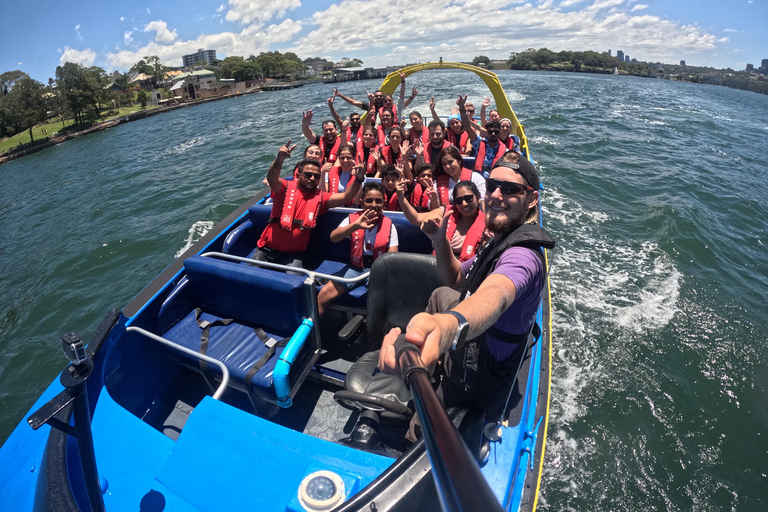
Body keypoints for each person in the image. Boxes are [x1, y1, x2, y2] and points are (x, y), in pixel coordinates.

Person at [378, 156, 557, 420]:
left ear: (531, 199)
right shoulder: (499, 240)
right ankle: (438, 360)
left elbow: (496, 295)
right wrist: (440, 241)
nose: (496, 195)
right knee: (442, 294)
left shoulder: (523, 257)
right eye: (493, 185)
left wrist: (444, 329)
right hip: (470, 341)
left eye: (509, 189)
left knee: (420, 427)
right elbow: (455, 280)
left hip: (477, 373)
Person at [254, 140, 364, 268]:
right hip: (266, 250)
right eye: (308, 174)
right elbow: (272, 179)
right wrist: (279, 160)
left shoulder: (321, 197)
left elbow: (347, 196)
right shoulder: (284, 187)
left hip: (293, 256)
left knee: (295, 281)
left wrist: (359, 178)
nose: (312, 178)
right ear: (299, 175)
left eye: (316, 176)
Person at [316, 181, 399, 315]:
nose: (373, 205)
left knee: (381, 301)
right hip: (355, 268)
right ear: (361, 202)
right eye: (369, 201)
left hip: (377, 270)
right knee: (323, 295)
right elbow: (334, 237)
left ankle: (375, 332)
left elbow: (393, 257)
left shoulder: (390, 226)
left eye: (378, 201)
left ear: (384, 204)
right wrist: (355, 226)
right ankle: (314, 332)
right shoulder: (352, 219)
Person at [396, 178, 487, 262]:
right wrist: (401, 197)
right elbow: (415, 218)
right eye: (459, 200)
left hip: (466, 271)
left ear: (478, 197)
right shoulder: (444, 212)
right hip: (438, 264)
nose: (464, 203)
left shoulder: (488, 224)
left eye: (468, 198)